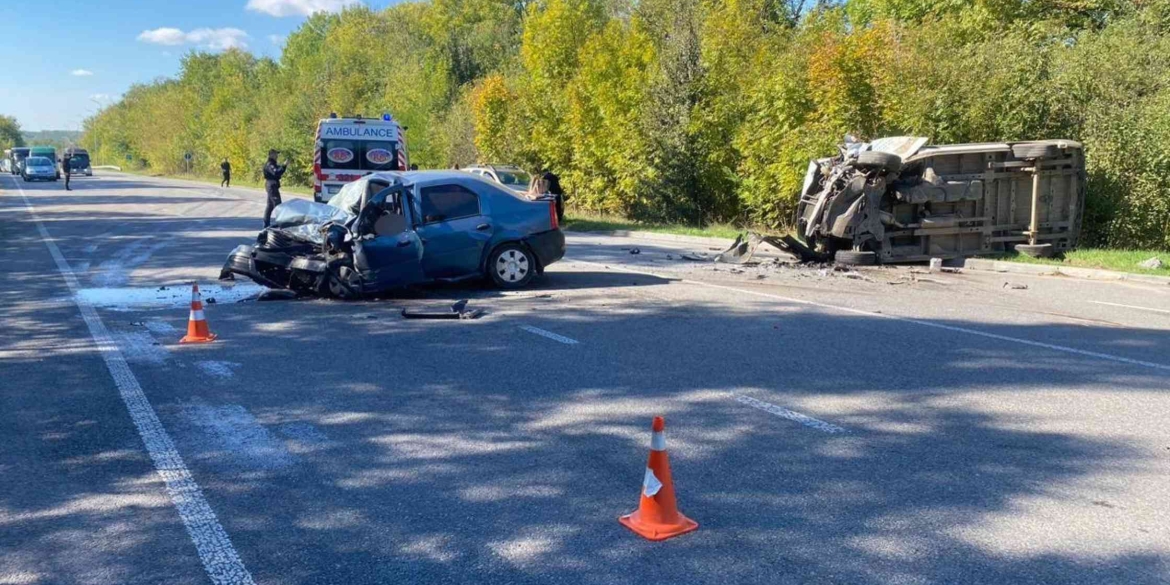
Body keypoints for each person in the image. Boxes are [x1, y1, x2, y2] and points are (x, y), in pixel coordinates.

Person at [262, 149, 287, 227]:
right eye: (276, 154)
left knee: (270, 206)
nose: (277, 156)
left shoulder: (273, 163)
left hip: (272, 185)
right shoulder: (270, 164)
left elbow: (279, 171)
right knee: (278, 205)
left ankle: (266, 225)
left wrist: (283, 167)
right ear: (271, 155)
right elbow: (276, 172)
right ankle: (281, 225)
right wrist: (284, 165)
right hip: (271, 185)